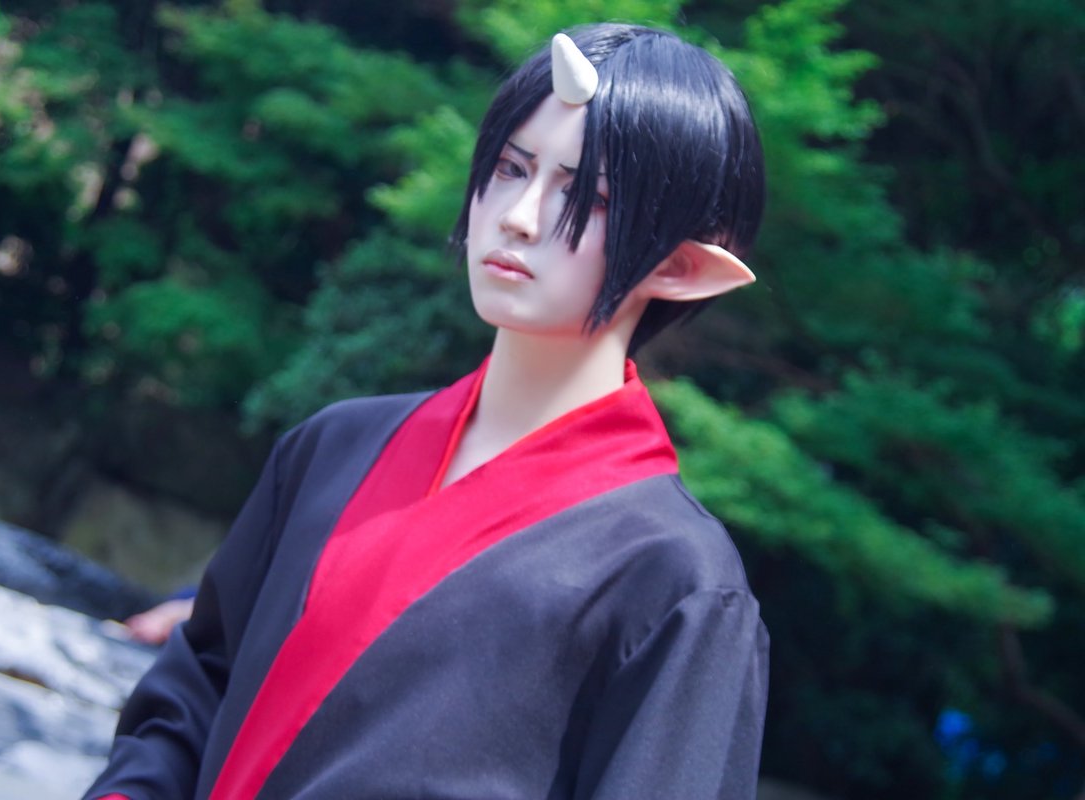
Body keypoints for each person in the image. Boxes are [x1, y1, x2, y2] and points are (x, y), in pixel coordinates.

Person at [86, 22, 768, 800]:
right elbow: (193, 695)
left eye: (590, 197)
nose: (519, 215)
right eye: (511, 168)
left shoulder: (676, 579)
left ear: (680, 266)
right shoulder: (331, 448)